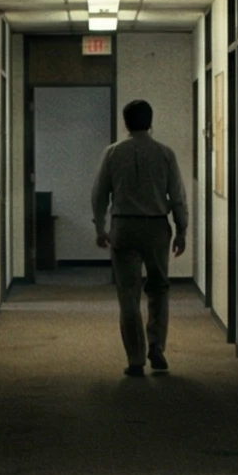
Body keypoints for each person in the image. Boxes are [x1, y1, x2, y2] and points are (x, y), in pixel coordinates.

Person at [89, 98, 189, 377]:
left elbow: (99, 194)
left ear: (126, 123)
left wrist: (100, 227)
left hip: (124, 227)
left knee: (128, 294)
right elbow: (177, 197)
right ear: (151, 121)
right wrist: (182, 230)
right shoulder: (165, 153)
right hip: (157, 227)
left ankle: (135, 359)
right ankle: (156, 344)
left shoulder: (112, 153)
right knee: (159, 288)